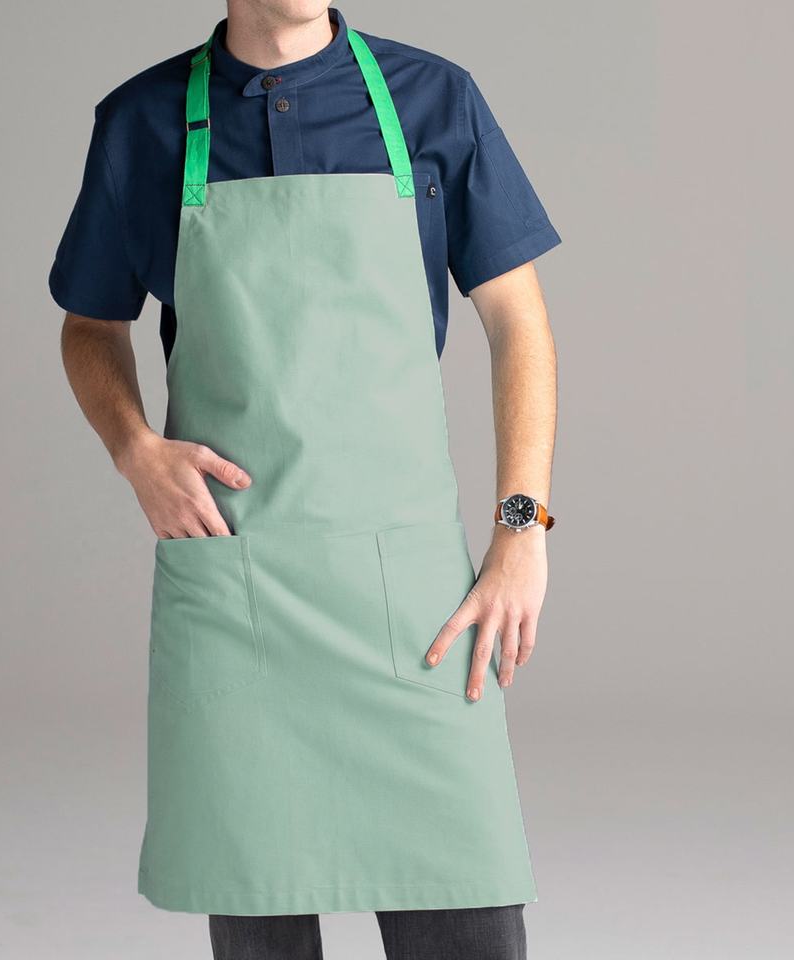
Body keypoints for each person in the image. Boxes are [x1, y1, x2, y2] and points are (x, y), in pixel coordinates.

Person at [49, 3, 560, 958]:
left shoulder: (433, 100)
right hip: (235, 584)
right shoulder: (142, 121)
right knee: (259, 915)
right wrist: (134, 449)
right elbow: (90, 324)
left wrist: (521, 529)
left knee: (469, 918)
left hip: (410, 602)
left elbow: (519, 323)